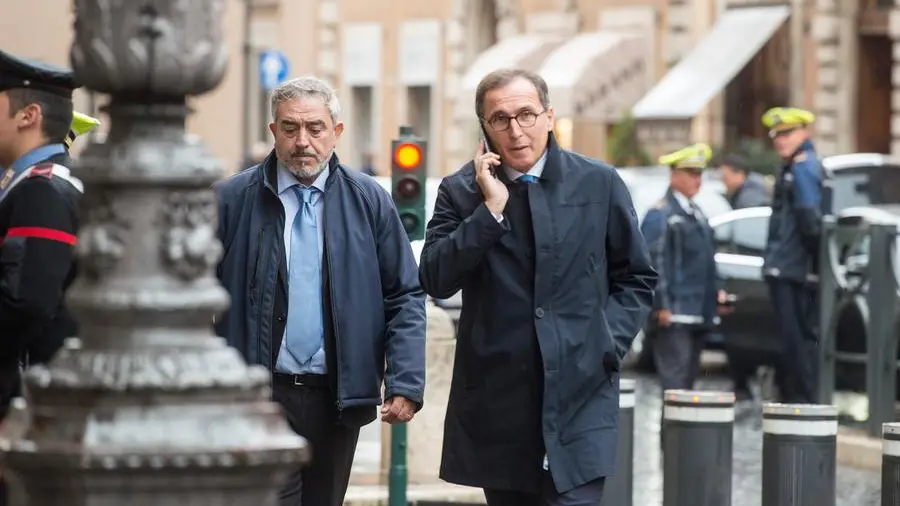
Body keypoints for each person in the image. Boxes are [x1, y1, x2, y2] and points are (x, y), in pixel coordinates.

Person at [419, 68, 657, 506]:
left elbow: (636, 277)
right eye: (500, 119)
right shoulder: (460, 191)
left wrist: (605, 343)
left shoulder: (599, 182)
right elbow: (435, 278)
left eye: (526, 114)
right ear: (484, 127)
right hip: (500, 405)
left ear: (549, 116)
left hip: (581, 396)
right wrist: (490, 212)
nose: (516, 130)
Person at [213, 76, 426, 506]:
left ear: (337, 131)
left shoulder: (369, 200)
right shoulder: (231, 200)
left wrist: (405, 380)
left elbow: (404, 294)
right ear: (273, 131)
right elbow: (195, 294)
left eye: (315, 128)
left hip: (337, 399)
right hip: (258, 397)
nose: (302, 142)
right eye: (290, 128)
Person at [0, 50, 86, 505]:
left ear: (28, 115)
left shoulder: (41, 190)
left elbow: (26, 303)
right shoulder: (36, 183)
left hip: (28, 407)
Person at [641, 144, 727, 402]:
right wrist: (661, 304)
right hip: (674, 315)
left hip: (697, 311)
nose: (697, 180)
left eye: (699, 174)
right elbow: (653, 263)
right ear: (674, 175)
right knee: (675, 387)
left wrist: (718, 291)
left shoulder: (696, 212)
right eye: (691, 173)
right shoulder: (661, 213)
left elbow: (708, 259)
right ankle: (672, 430)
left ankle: (680, 430)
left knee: (687, 386)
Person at [761, 106, 830, 404]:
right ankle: (798, 401)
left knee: (797, 343)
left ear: (804, 132)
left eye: (787, 133)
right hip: (790, 267)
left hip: (794, 269)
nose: (780, 140)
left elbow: (810, 220)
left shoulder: (803, 167)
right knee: (793, 342)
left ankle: (803, 405)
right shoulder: (795, 166)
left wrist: (813, 262)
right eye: (776, 135)